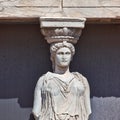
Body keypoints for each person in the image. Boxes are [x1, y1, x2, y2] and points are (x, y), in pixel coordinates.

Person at [32, 41, 91, 120]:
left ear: (71, 57)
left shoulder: (81, 80)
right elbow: (36, 111)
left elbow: (87, 111)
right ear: (53, 57)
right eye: (60, 53)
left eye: (67, 53)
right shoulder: (44, 80)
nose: (64, 57)